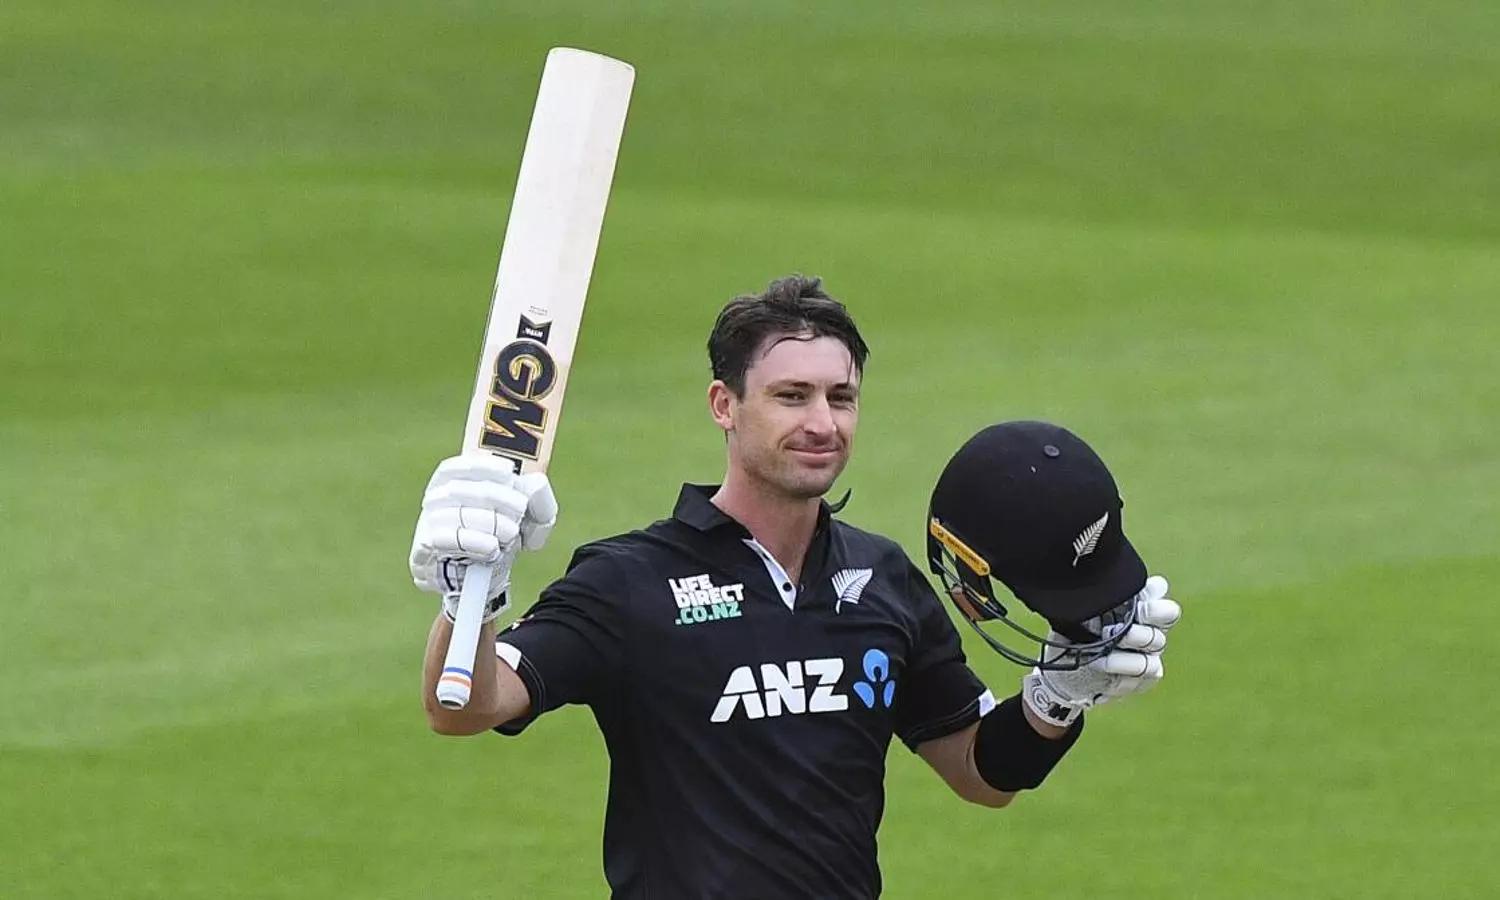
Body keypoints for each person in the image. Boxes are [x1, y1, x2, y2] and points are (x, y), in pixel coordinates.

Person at [410, 275, 1182, 899]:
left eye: (840, 397)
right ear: (725, 406)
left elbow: (981, 775)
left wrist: (1056, 699)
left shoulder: (884, 581)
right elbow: (464, 706)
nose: (822, 422)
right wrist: (471, 596)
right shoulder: (628, 581)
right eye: (791, 396)